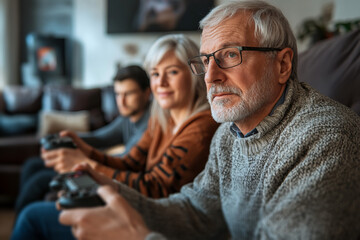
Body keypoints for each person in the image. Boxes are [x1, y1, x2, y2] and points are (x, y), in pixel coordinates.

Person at [13, 1, 360, 239]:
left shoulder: (326, 139)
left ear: (282, 65)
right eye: (206, 60)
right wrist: (110, 187)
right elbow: (194, 212)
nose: (210, 77)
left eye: (229, 55)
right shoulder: (229, 134)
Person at [11, 33, 219, 240]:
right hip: (141, 206)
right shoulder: (162, 120)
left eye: (172, 72)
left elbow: (156, 188)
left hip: (162, 220)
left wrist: (86, 162)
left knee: (32, 217)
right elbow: (129, 163)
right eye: (155, 74)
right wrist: (85, 151)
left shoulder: (200, 127)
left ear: (194, 72)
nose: (161, 82)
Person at [14, 65, 152, 214]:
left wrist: (81, 158)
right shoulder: (127, 118)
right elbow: (100, 138)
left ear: (147, 93)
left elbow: (126, 160)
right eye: (118, 94)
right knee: (32, 165)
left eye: (128, 94)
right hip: (103, 168)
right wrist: (69, 137)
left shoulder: (151, 124)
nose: (121, 101)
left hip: (113, 177)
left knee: (38, 181)